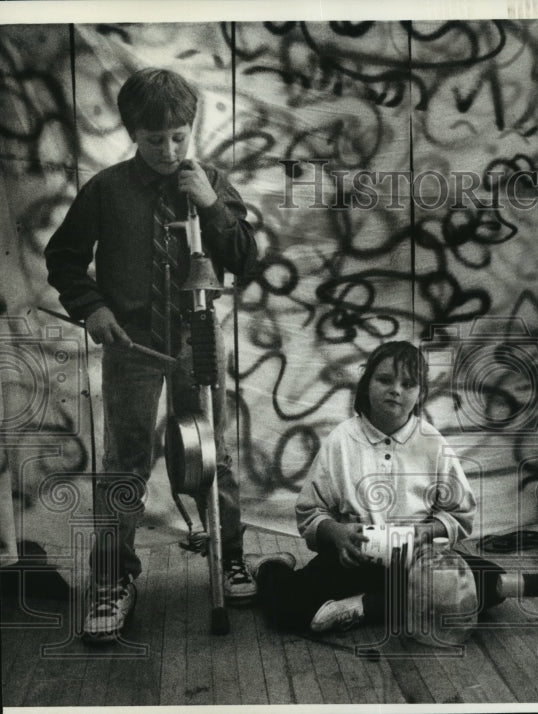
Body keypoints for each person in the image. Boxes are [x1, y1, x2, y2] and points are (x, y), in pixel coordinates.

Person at [44, 68, 258, 643]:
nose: (169, 150)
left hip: (198, 341)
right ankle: (114, 580)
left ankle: (229, 555)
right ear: (133, 133)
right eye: (155, 138)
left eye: (179, 136)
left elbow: (246, 258)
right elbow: (63, 259)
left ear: (191, 130)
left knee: (214, 456)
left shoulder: (209, 181)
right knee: (124, 466)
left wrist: (213, 207)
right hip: (132, 349)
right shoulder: (106, 190)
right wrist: (93, 308)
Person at [255, 341, 500, 634]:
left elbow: (458, 514)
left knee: (493, 584)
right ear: (366, 383)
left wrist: (427, 531)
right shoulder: (342, 440)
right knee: (286, 608)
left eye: (408, 384)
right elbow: (310, 511)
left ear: (420, 394)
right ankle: (270, 566)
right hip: (354, 560)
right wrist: (336, 533)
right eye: (384, 380)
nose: (395, 390)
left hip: (417, 563)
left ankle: (363, 607)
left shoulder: (432, 443)